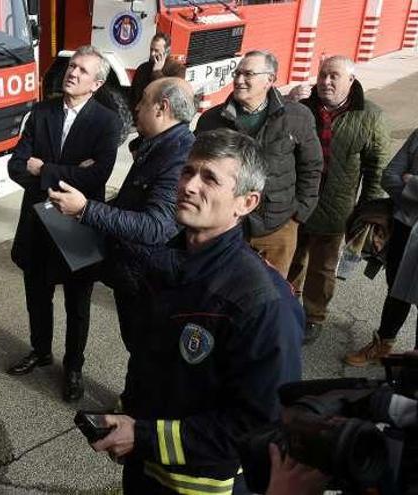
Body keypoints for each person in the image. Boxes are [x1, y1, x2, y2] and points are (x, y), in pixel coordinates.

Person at [90, 129, 304, 495]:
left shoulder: (262, 302)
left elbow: (259, 426)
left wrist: (143, 436)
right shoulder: (168, 264)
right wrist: (129, 420)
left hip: (201, 485)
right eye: (188, 172)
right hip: (144, 469)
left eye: (210, 178)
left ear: (247, 203)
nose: (189, 185)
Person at [7, 44, 122, 403]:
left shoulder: (107, 121)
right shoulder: (41, 112)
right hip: (38, 224)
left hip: (78, 225)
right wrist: (68, 173)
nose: (72, 73)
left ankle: (73, 367)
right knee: (37, 297)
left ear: (97, 83)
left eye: (82, 70)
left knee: (78, 305)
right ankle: (40, 351)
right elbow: (15, 165)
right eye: (72, 66)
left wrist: (43, 170)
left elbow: (97, 176)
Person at [49, 77, 195, 349]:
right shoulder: (157, 144)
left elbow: (156, 226)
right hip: (131, 272)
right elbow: (133, 201)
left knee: (145, 351)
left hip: (148, 279)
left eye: (142, 100)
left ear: (162, 108)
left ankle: (139, 393)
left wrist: (86, 209)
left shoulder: (177, 155)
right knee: (136, 346)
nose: (136, 107)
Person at [288, 55, 390, 344]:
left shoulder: (371, 116)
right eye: (322, 75)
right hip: (295, 202)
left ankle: (314, 317)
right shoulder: (302, 106)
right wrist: (287, 100)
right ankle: (284, 308)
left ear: (351, 81)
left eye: (334, 76)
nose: (326, 81)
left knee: (322, 268)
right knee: (291, 259)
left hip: (335, 207)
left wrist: (367, 213)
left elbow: (376, 169)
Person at [196, 50, 323, 278]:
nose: (239, 80)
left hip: (278, 228)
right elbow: (197, 167)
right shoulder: (212, 120)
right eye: (237, 73)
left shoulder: (297, 117)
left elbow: (311, 167)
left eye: (248, 74)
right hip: (224, 226)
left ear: (270, 80)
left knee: (268, 297)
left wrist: (297, 215)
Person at [345, 128, 418, 365]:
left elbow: (401, 180)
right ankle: (383, 345)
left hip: (406, 214)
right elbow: (389, 176)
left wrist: (411, 183)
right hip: (404, 227)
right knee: (397, 288)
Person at [128, 33, 186, 116]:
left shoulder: (178, 69)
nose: (152, 54)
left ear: (167, 51)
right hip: (142, 117)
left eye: (156, 50)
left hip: (163, 120)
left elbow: (172, 94)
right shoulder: (143, 68)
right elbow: (133, 95)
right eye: (151, 49)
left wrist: (157, 72)